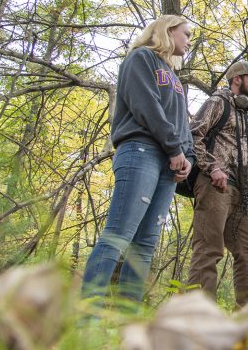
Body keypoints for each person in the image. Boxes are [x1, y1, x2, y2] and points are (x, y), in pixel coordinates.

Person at [82, 15, 194, 304]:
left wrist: (187, 158)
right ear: (168, 31)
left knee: (144, 246)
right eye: (186, 34)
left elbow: (181, 123)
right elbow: (146, 106)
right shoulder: (141, 59)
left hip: (170, 165)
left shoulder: (176, 79)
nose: (189, 40)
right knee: (118, 236)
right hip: (141, 151)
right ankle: (88, 318)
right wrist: (174, 149)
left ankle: (127, 324)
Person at [187, 60, 248, 307]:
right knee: (209, 250)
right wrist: (212, 168)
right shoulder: (217, 102)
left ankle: (247, 313)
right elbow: (192, 136)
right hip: (215, 186)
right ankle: (197, 315)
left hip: (240, 193)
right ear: (237, 79)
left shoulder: (243, 113)